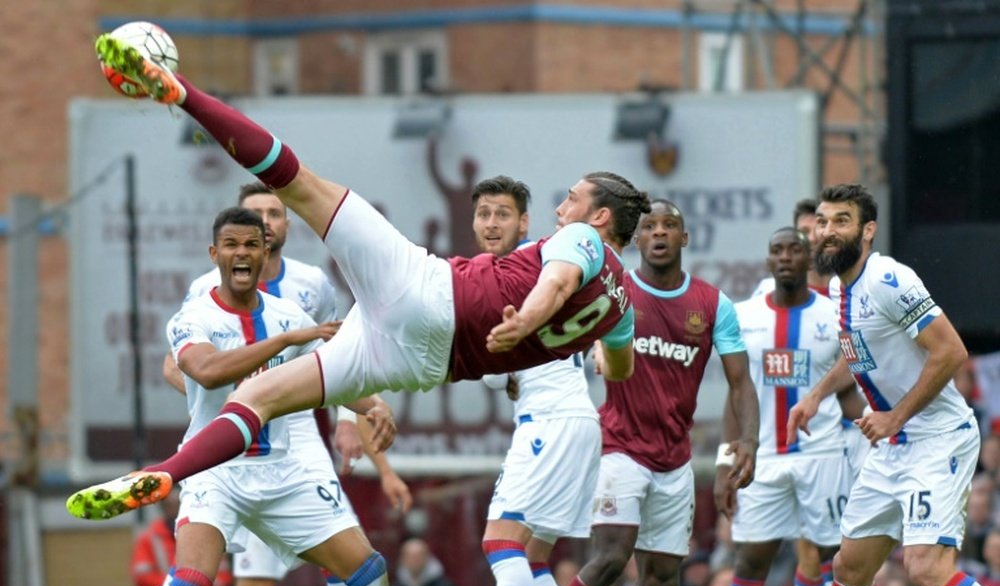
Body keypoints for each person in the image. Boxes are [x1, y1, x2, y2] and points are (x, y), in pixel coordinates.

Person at [69, 35, 643, 521]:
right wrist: (584, 349)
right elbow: (619, 370)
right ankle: (165, 476)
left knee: (299, 185)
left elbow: (559, 284)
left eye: (571, 200)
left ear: (599, 218)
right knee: (261, 397)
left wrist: (527, 323)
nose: (561, 209)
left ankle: (183, 94)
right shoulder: (624, 310)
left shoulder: (584, 239)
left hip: (428, 293)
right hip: (423, 364)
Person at [103, 206, 407, 586]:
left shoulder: (290, 316)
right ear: (214, 254)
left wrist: (374, 407)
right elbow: (205, 370)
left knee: (366, 570)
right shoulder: (192, 317)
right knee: (190, 582)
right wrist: (287, 342)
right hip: (216, 471)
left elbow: (336, 376)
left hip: (285, 473)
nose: (240, 254)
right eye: (231, 245)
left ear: (265, 252)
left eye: (250, 245)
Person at [537, 199, 758, 586]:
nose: (659, 233)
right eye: (650, 227)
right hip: (619, 447)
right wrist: (598, 347)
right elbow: (582, 333)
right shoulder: (615, 291)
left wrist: (742, 449)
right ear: (637, 240)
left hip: (674, 460)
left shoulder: (712, 304)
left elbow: (741, 384)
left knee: (660, 583)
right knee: (611, 558)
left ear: (685, 238)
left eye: (670, 226)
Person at [785, 183, 1000, 586]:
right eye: (822, 221)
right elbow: (861, 352)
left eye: (842, 220)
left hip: (937, 438)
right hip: (893, 446)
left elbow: (951, 351)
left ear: (868, 230)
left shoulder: (888, 277)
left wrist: (892, 417)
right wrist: (817, 395)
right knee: (849, 565)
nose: (828, 230)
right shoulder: (842, 286)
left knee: (925, 567)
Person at [473, 175, 612, 586]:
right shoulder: (526, 265)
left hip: (548, 423)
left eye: (502, 214)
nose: (491, 224)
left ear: (523, 221)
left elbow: (492, 374)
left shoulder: (526, 265)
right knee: (532, 561)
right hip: (575, 420)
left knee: (499, 542)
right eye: (484, 214)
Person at [716, 227, 865, 586]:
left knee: (835, 561)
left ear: (808, 261)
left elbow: (850, 392)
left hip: (823, 457)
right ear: (768, 262)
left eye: (794, 250)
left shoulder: (836, 316)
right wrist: (727, 461)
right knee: (749, 564)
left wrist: (881, 434)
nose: (785, 258)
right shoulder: (742, 317)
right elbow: (735, 393)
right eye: (777, 251)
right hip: (762, 458)